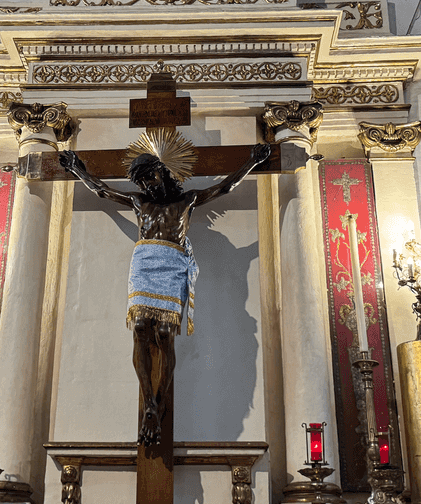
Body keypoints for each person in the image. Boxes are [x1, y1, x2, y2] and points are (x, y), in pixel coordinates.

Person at [59, 135, 270, 445]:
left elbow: (223, 187)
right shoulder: (139, 202)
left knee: (164, 334)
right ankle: (150, 405)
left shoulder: (187, 201)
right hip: (144, 263)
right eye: (142, 182)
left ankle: (157, 402)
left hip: (172, 264)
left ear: (163, 169)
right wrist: (78, 169)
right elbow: (103, 191)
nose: (148, 185)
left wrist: (252, 161)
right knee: (141, 326)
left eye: (150, 176)